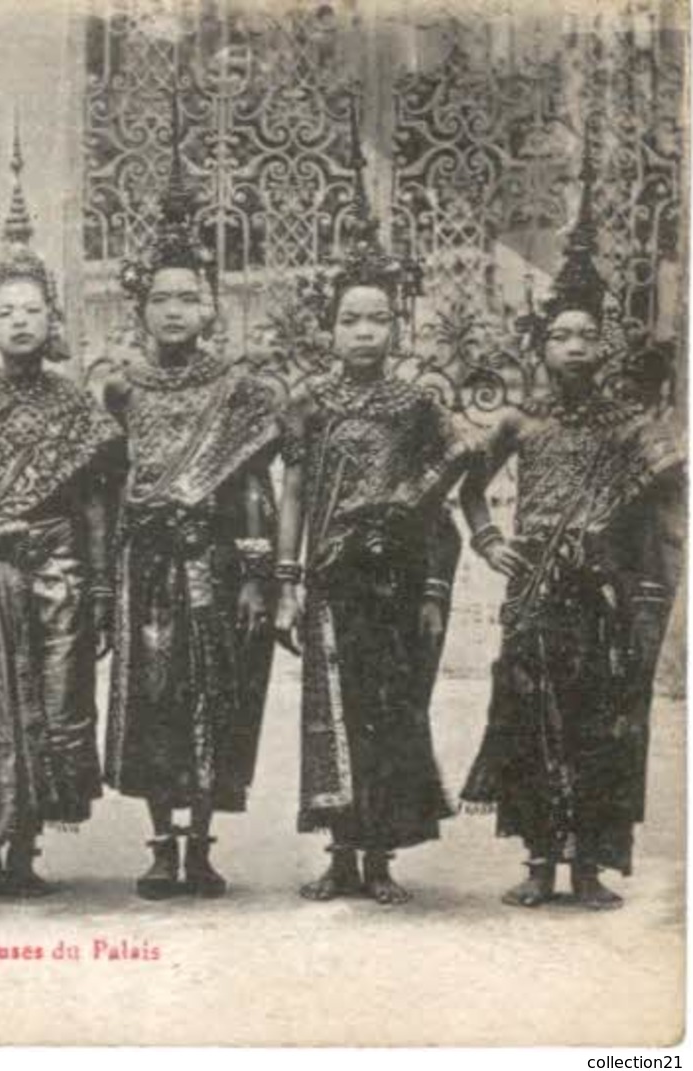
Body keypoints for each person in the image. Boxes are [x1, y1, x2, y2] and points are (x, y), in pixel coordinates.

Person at [458, 132, 683, 910]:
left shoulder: (629, 427)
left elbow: (667, 498)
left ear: (606, 343)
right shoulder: (522, 423)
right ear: (541, 343)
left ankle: (588, 864)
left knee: (598, 723)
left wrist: (641, 584)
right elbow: (466, 486)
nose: (575, 345)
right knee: (529, 713)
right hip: (534, 597)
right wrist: (488, 540)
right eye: (561, 334)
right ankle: (535, 859)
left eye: (588, 334)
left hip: (603, 600)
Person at [272, 120, 471, 906]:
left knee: (389, 712)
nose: (363, 331)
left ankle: (381, 855)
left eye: (377, 319)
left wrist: (415, 533)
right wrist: (287, 580)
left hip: (396, 575)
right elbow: (292, 489)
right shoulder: (308, 401)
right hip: (330, 574)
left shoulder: (418, 398)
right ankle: (338, 854)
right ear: (329, 325)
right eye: (349, 319)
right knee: (331, 711)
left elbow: (461, 458)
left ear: (396, 325)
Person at [0, 124, 120, 898]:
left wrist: (98, 590)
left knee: (46, 702)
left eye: (32, 309)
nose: (18, 321)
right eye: (5, 311)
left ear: (51, 318)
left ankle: (24, 851)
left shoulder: (80, 407)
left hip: (57, 572)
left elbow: (97, 506)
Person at [100, 100, 279, 900]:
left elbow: (252, 486)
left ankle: (199, 842)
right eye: (161, 298)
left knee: (212, 695)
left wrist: (252, 574)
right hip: (144, 563)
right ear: (141, 307)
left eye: (188, 298)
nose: (174, 310)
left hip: (210, 560)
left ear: (210, 306)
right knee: (153, 697)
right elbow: (106, 486)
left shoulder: (236, 389)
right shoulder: (119, 387)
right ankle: (157, 841)